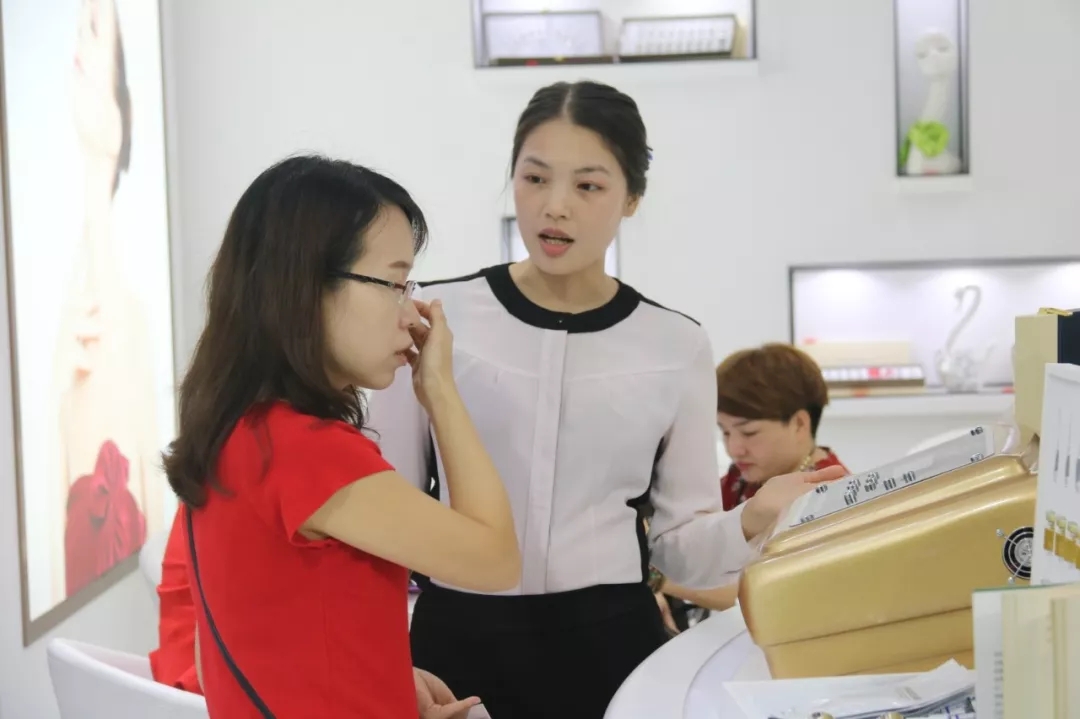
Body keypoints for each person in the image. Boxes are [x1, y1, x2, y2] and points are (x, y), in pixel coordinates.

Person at [366, 80, 845, 719]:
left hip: (613, 647)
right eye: (535, 178)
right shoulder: (433, 316)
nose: (555, 206)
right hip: (454, 646)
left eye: (588, 186)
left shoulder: (675, 344)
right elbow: (386, 511)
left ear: (632, 197)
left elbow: (678, 545)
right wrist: (383, 656)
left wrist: (755, 516)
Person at [162, 154, 521, 718]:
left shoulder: (239, 431)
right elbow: (496, 560)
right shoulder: (307, 450)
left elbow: (234, 653)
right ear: (307, 286)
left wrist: (383, 676)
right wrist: (441, 393)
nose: (411, 314)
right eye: (394, 284)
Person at [147, 507, 491, 718]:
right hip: (214, 691)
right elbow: (490, 556)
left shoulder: (227, 470)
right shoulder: (270, 477)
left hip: (209, 682)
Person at [49, 0, 166, 604]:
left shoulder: (130, 314)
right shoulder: (71, 311)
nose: (81, 44)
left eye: (97, 34)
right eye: (81, 30)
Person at [656, 343, 849, 613]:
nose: (734, 448)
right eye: (725, 432)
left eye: (749, 433)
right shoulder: (742, 477)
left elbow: (768, 592)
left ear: (799, 424)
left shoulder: (829, 497)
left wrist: (657, 578)